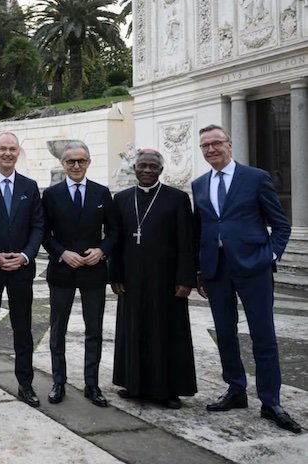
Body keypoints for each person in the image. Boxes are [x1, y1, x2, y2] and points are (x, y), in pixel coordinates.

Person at [192, 125, 301, 434]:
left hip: (254, 268)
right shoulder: (199, 184)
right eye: (205, 146)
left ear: (230, 143)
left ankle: (270, 400)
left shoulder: (256, 178)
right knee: (225, 333)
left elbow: (281, 225)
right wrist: (199, 271)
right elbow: (199, 231)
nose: (211, 150)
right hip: (216, 271)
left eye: (216, 143)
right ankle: (235, 389)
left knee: (262, 335)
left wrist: (270, 255)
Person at [110, 149, 197, 409]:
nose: (147, 170)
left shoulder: (177, 199)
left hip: (166, 280)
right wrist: (114, 275)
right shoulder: (122, 199)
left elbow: (186, 242)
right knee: (133, 329)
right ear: (134, 169)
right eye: (142, 166)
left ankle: (167, 390)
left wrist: (186, 279)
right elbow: (115, 240)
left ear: (161, 170)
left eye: (152, 167)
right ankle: (133, 384)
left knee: (166, 332)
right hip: (132, 279)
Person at [41, 141, 118, 407]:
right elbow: (43, 233)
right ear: (63, 164)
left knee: (94, 329)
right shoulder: (51, 195)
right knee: (57, 329)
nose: (76, 166)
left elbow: (114, 231)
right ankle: (58, 382)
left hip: (93, 271)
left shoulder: (101, 193)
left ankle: (92, 384)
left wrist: (102, 250)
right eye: (71, 161)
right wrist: (62, 253)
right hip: (62, 271)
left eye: (81, 161)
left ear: (88, 162)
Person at [0, 132, 44, 408]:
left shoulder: (30, 186)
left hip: (21, 269)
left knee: (23, 328)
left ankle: (25, 384)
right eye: (3, 148)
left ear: (18, 152)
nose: (7, 153)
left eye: (12, 149)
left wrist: (25, 256)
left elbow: (38, 225)